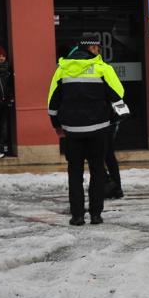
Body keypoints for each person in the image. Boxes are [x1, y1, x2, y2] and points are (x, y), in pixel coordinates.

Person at [47, 33, 128, 226]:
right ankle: (95, 214)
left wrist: (57, 125)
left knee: (74, 172)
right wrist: (113, 119)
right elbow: (119, 96)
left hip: (72, 132)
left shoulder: (62, 69)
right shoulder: (102, 69)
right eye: (97, 47)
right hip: (98, 130)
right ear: (92, 48)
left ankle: (77, 216)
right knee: (97, 171)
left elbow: (52, 102)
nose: (99, 50)